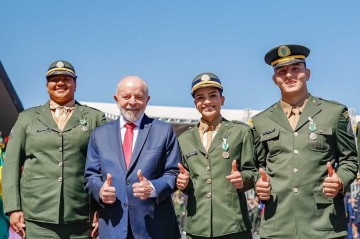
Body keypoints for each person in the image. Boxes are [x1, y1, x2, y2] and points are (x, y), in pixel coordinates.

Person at [253, 44, 359, 238]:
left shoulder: (334, 114)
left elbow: (350, 160)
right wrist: (257, 183)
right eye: (282, 71)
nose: (289, 75)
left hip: (324, 225)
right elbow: (256, 167)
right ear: (275, 79)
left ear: (307, 73)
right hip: (278, 225)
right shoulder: (261, 121)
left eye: (296, 69)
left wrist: (340, 181)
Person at [2, 60, 106, 238]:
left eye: (66, 78)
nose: (60, 83)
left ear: (75, 84)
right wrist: (13, 208)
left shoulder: (95, 118)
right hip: (35, 217)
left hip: (81, 217)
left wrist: (102, 209)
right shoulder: (27, 118)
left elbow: (105, 167)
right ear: (46, 85)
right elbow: (11, 164)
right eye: (54, 79)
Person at [84, 75, 181, 239]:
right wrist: (100, 190)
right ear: (116, 99)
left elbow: (173, 173)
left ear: (147, 99)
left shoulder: (164, 131)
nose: (132, 102)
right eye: (126, 97)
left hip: (154, 228)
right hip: (113, 227)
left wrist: (153, 187)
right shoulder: (99, 135)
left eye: (138, 97)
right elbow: (90, 176)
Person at [176, 73, 256, 238]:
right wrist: (183, 183)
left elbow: (253, 171)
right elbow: (188, 181)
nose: (207, 102)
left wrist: (243, 179)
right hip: (197, 226)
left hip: (233, 225)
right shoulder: (184, 139)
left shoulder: (241, 132)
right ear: (195, 103)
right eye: (200, 98)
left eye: (213, 96)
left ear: (222, 100)